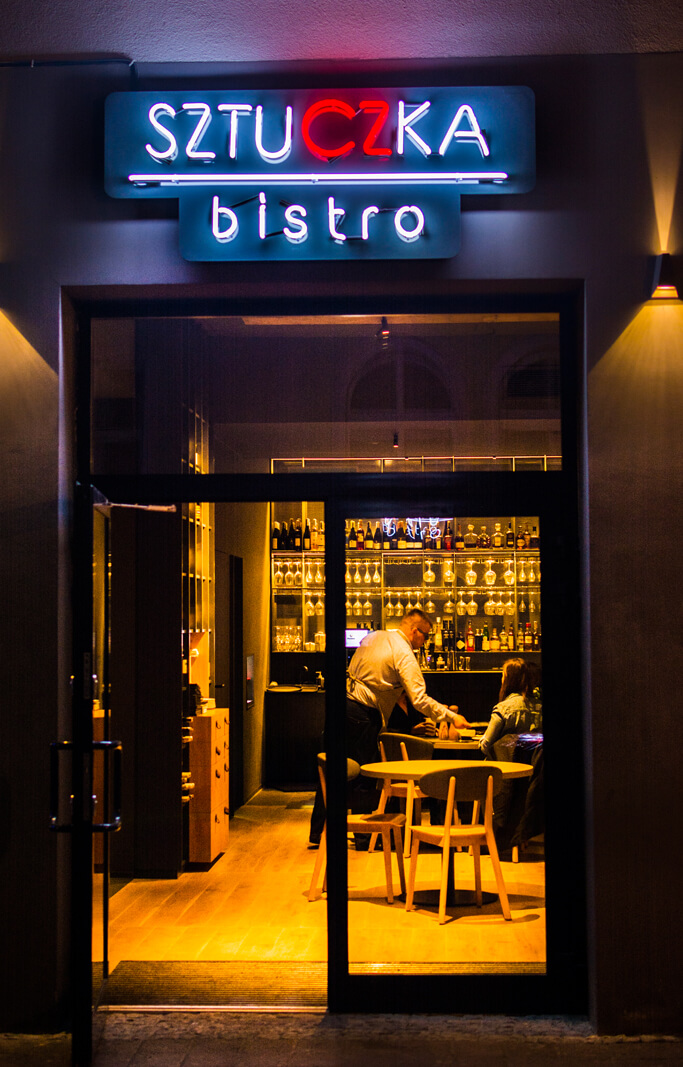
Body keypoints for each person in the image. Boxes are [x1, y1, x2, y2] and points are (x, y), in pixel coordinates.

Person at [309, 609, 470, 847]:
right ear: (415, 631)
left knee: (332, 768)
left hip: (339, 703)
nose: (424, 642)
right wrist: (450, 716)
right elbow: (419, 698)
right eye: (425, 636)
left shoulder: (376, 636)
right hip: (362, 713)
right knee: (365, 774)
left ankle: (318, 831)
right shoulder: (404, 652)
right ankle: (365, 836)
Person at [479, 657, 538, 757]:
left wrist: (482, 739)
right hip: (534, 770)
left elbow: (485, 746)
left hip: (506, 769)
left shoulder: (502, 709)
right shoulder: (539, 707)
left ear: (508, 680)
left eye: (503, 676)